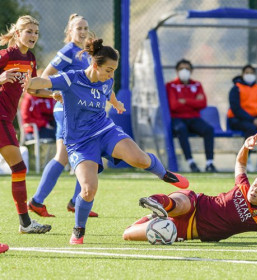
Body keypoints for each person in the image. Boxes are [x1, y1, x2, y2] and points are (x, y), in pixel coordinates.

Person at [23, 38, 189, 245]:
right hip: (80, 143)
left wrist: (116, 103)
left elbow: (107, 90)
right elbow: (43, 83)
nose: (111, 75)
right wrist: (25, 80)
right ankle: (78, 230)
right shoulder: (71, 79)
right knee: (88, 189)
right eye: (108, 70)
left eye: (114, 71)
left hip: (105, 130)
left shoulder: (107, 80)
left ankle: (164, 174)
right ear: (94, 65)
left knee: (139, 159)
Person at [124, 134, 257, 244]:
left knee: (136, 234)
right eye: (256, 184)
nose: (255, 189)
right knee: (182, 202)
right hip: (197, 205)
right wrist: (246, 146)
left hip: (188, 230)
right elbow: (240, 164)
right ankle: (156, 203)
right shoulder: (243, 185)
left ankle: (154, 218)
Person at [27, 14, 98, 218]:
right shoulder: (68, 51)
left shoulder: (85, 53)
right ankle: (37, 201)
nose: (83, 31)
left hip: (79, 113)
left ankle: (75, 201)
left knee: (83, 153)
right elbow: (45, 77)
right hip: (66, 112)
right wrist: (53, 92)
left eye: (85, 28)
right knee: (67, 156)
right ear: (69, 31)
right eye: (78, 28)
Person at [0, 15, 51, 233]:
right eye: (28, 31)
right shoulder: (6, 54)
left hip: (6, 119)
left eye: (36, 32)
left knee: (19, 169)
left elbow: (31, 88)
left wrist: (54, 94)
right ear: (18, 34)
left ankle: (25, 223)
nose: (33, 36)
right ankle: (26, 224)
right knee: (19, 168)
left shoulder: (30, 58)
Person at [166, 59, 217, 173]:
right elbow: (174, 105)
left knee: (209, 129)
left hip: (194, 117)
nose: (184, 71)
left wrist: (184, 101)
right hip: (177, 118)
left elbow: (203, 103)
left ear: (191, 71)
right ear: (177, 71)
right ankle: (191, 162)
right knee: (181, 129)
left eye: (187, 69)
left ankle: (210, 163)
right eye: (181, 69)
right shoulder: (170, 85)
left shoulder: (197, 85)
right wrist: (193, 101)